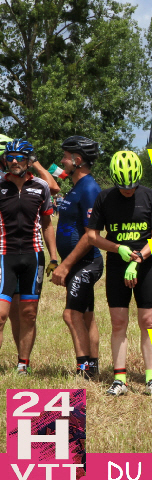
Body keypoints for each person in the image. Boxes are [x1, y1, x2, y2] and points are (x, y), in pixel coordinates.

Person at [88, 151, 152, 396]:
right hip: (117, 264)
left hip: (146, 264)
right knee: (119, 322)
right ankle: (119, 379)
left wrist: (140, 256)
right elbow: (92, 236)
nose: (128, 191)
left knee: (148, 321)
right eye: (123, 187)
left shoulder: (151, 196)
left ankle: (151, 379)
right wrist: (118, 248)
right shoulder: (104, 198)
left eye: (132, 186)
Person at [0, 139, 57, 375]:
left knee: (29, 314)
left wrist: (54, 257)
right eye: (10, 157)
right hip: (4, 255)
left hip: (33, 256)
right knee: (1, 315)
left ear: (29, 161)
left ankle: (23, 364)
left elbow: (47, 224)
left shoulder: (41, 187)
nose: (14, 161)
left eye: (20, 157)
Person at [50, 136, 104, 378]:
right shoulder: (76, 185)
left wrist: (65, 265)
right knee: (86, 316)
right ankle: (93, 368)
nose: (62, 161)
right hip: (77, 262)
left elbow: (91, 235)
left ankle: (84, 370)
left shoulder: (89, 188)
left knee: (71, 315)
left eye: (65, 157)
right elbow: (54, 179)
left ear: (77, 160)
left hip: (86, 262)